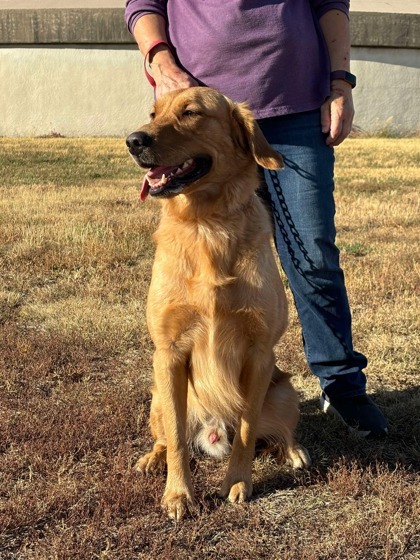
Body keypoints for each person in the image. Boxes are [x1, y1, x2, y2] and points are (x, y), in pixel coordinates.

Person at [125, 0, 388, 438]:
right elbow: (143, 4)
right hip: (200, 113)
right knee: (197, 252)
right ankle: (204, 401)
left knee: (313, 254)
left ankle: (341, 386)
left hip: (296, 107)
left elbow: (329, 3)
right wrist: (162, 63)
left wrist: (340, 82)